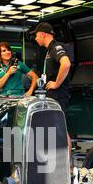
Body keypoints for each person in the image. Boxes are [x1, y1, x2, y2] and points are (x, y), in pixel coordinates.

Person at [31, 22, 72, 155]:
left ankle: (66, 166)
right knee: (56, 129)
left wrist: (56, 83)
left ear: (43, 34)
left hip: (58, 95)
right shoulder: (49, 50)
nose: (36, 38)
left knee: (61, 129)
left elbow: (66, 64)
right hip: (53, 96)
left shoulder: (55, 47)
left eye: (36, 35)